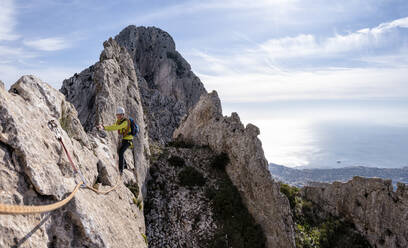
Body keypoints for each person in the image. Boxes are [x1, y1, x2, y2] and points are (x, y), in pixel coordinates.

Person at [97, 107, 133, 175]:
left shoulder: (125, 122)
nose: (118, 116)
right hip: (124, 139)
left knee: (121, 152)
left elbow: (116, 127)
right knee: (121, 150)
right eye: (117, 115)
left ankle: (121, 170)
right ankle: (124, 165)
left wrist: (104, 128)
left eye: (119, 115)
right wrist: (103, 126)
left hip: (128, 140)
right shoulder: (119, 121)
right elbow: (114, 126)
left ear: (123, 115)